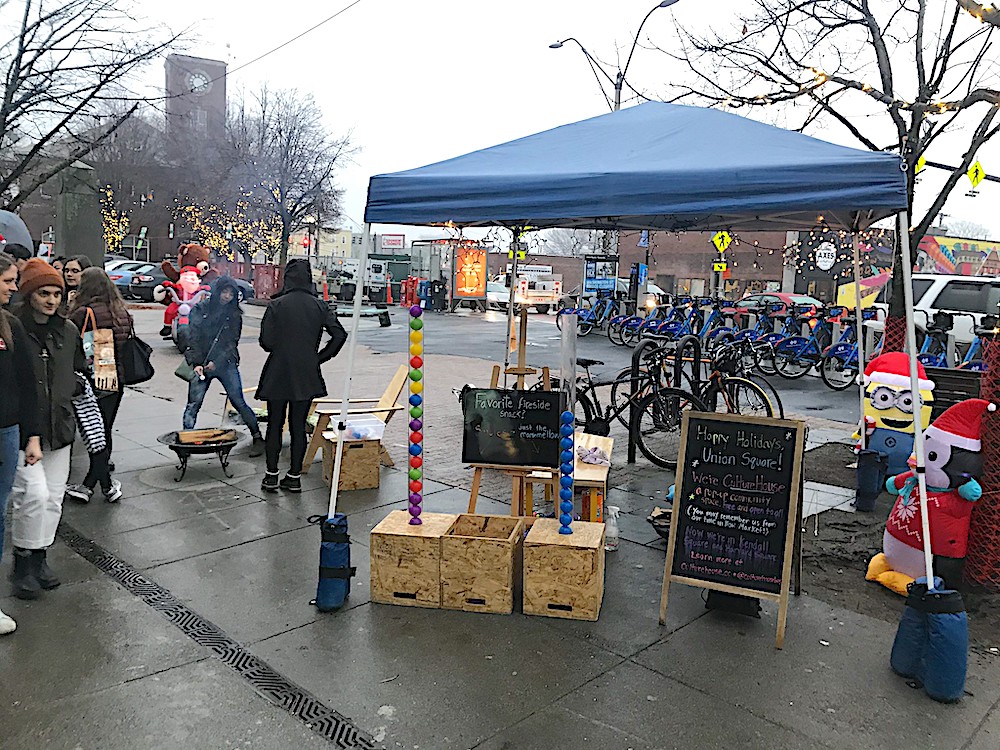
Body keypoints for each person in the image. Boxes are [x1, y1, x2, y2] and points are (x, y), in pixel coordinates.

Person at [9, 259, 88, 600]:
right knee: (34, 494)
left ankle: (40, 557)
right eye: (44, 293)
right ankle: (22, 561)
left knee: (53, 498)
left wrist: (74, 390)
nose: (52, 300)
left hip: (60, 425)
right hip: (26, 427)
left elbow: (76, 368)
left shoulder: (67, 331)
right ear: (29, 294)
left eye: (57, 293)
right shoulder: (12, 328)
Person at [257, 259, 347, 493]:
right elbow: (339, 335)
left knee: (275, 424)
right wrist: (319, 357)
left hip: (278, 370)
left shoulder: (276, 305)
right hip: (306, 372)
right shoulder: (320, 306)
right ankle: (294, 475)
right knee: (298, 426)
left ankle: (271, 475)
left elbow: (266, 342)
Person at [0, 254, 42, 632]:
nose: (15, 287)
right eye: (9, 280)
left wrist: (31, 435)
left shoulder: (10, 325)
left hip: (6, 432)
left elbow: (27, 386)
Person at [64, 267, 130, 503]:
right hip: (115, 376)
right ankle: (102, 485)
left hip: (92, 376)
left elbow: (68, 337)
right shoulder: (120, 311)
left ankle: (94, 485)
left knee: (94, 431)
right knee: (104, 429)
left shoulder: (85, 312)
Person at [182, 276, 264, 456]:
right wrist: (197, 362)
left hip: (225, 363)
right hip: (201, 363)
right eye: (224, 292)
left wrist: (216, 362)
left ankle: (257, 437)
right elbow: (192, 336)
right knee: (194, 403)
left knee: (237, 400)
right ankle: (186, 441)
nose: (226, 296)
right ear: (217, 292)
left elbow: (231, 342)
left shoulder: (234, 315)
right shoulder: (201, 309)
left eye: (231, 293)